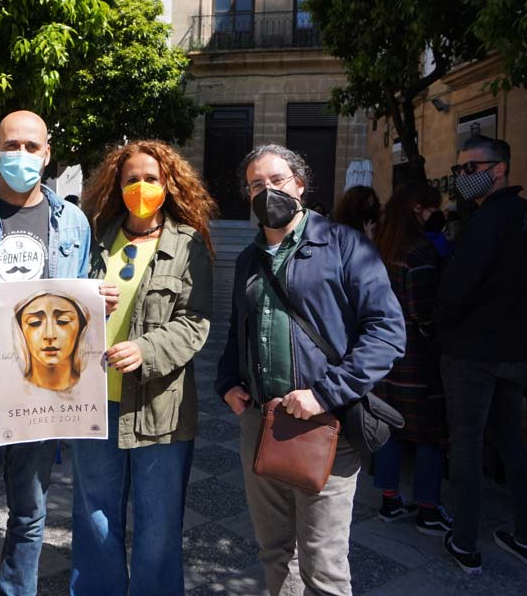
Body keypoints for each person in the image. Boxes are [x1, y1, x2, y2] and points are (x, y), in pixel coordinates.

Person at [0, 110, 118, 596]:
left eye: (32, 147)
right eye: (12, 145)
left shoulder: (72, 221)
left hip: (41, 393)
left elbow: (75, 300)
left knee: (30, 515)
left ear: (47, 152)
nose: (22, 155)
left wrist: (97, 300)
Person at [216, 144, 405, 596]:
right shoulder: (249, 258)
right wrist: (227, 382)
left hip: (325, 427)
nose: (267, 191)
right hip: (262, 423)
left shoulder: (344, 246)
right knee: (274, 551)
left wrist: (324, 394)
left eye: (277, 181)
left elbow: (387, 332)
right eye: (256, 185)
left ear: (300, 184)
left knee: (323, 565)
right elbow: (235, 329)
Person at [72, 141, 214, 596]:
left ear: (168, 183)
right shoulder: (95, 237)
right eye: (131, 178)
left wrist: (145, 350)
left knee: (158, 523)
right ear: (117, 185)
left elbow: (195, 323)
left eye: (151, 178)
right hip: (94, 402)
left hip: (159, 406)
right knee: (95, 514)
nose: (141, 187)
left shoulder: (189, 243)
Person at [437, 135, 527, 574]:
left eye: (470, 168)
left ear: (498, 169)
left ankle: (465, 541)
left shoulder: (488, 221)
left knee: (465, 444)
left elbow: (457, 287)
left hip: (473, 352)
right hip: (516, 350)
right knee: (509, 440)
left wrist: (442, 326)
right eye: (460, 169)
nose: (462, 177)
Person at [371, 181, 453, 535]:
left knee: (389, 428)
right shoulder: (418, 253)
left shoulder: (380, 248)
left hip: (382, 354)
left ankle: (390, 499)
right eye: (433, 208)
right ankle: (428, 508)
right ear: (418, 209)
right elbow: (423, 311)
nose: (438, 215)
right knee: (430, 433)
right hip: (416, 356)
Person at [12, 291, 90, 392]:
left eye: (63, 321)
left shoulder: (91, 389)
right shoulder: (13, 392)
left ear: (81, 327)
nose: (49, 335)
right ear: (20, 330)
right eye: (34, 322)